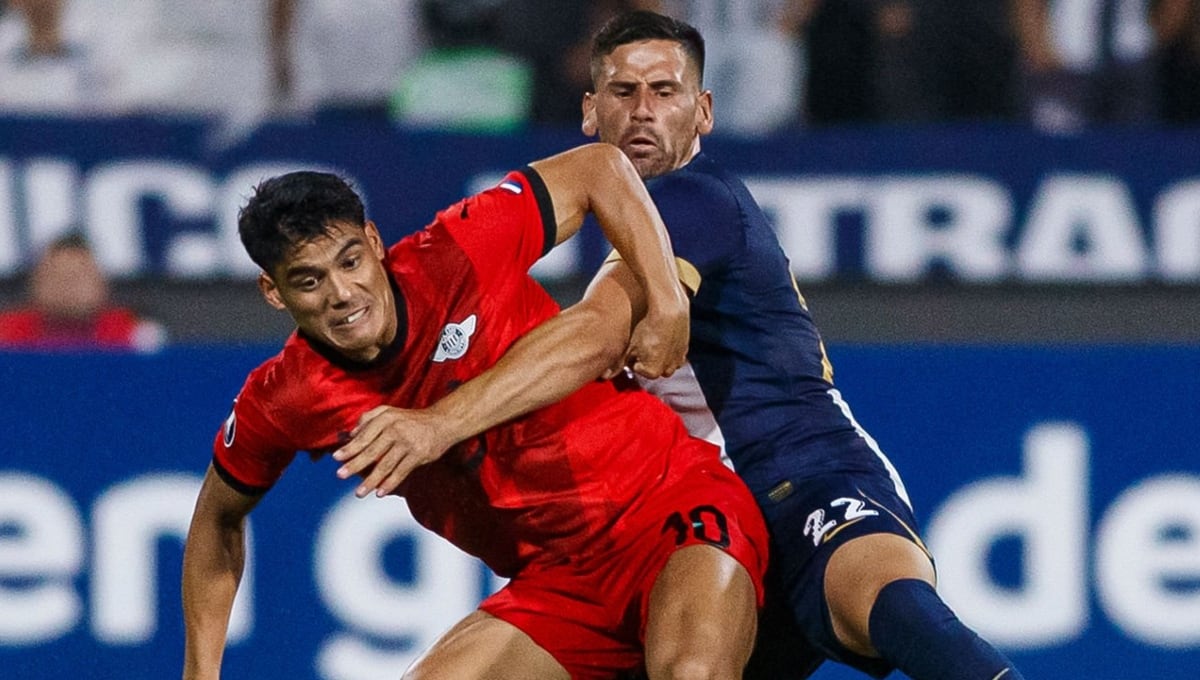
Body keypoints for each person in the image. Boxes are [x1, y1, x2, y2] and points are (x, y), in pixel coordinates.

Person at [333, 10, 1026, 680]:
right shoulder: (624, 230)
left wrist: (440, 423)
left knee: (892, 605)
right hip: (695, 528)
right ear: (588, 112)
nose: (642, 110)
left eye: (665, 92)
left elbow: (597, 336)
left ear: (703, 113)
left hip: (805, 474)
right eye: (623, 91)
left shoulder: (697, 199)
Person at [180, 142, 770, 680]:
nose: (342, 294)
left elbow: (599, 168)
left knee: (691, 674)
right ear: (273, 292)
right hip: (559, 586)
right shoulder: (288, 394)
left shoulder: (458, 250)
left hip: (670, 507)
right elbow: (216, 519)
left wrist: (666, 296)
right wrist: (200, 673)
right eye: (308, 281)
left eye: (350, 261)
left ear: (376, 242)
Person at [0, 233, 166, 351]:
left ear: (101, 284)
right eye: (57, 275)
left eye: (78, 276)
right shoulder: (5, 334)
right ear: (35, 283)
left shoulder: (135, 336)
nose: (67, 285)